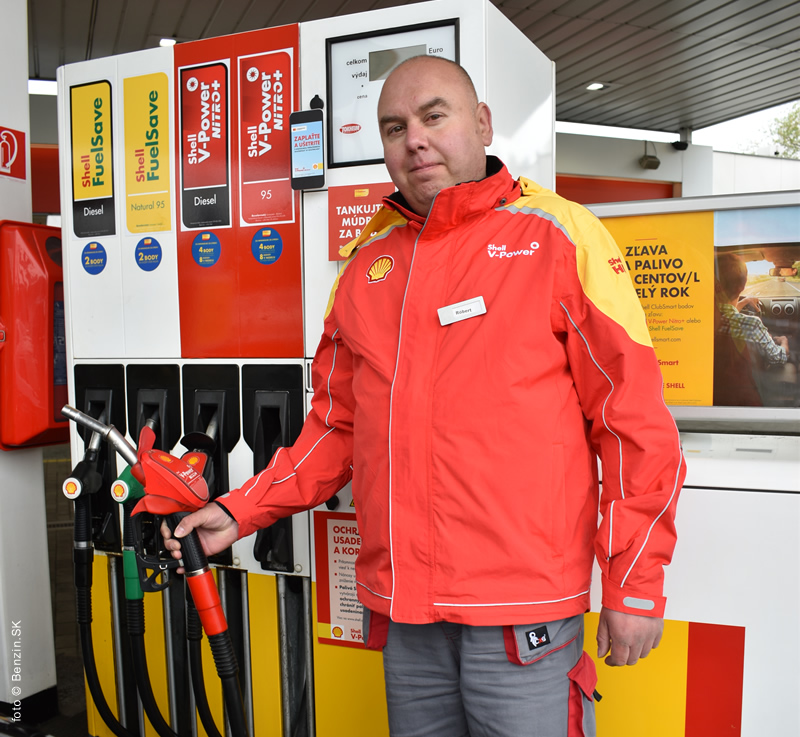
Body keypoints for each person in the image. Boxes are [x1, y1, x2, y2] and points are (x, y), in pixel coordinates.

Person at [164, 56, 685, 736]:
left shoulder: (560, 236)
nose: (415, 139)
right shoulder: (366, 264)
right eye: (395, 127)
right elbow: (335, 430)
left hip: (521, 615)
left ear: (482, 123)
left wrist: (633, 584)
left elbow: (632, 424)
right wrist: (238, 512)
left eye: (434, 116)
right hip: (405, 613)